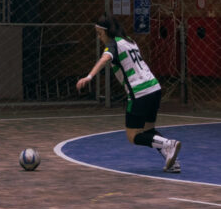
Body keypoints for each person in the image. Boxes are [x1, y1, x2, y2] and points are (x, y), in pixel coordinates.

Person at [76, 13, 181, 173]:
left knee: (133, 136)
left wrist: (89, 76)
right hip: (154, 88)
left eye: (99, 34)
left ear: (106, 32)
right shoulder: (130, 41)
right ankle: (172, 162)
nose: (99, 38)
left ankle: (169, 144)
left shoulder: (113, 45)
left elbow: (104, 59)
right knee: (148, 130)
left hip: (139, 93)